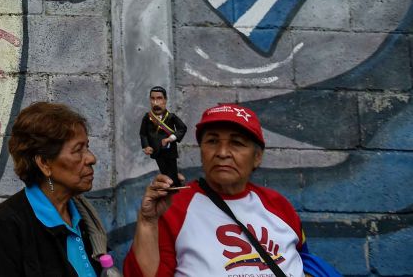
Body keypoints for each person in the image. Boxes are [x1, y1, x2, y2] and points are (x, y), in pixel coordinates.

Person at [124, 103, 310, 277]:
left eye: (236, 143)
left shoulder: (278, 205)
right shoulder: (173, 207)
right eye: (212, 141)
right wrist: (147, 221)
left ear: (257, 157)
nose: (222, 152)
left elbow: (304, 259)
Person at [0, 102, 109, 277]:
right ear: (44, 163)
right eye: (77, 150)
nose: (91, 158)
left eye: (87, 147)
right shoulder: (5, 227)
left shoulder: (84, 219)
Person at [139, 86, 186, 187]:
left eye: (159, 98)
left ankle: (176, 188)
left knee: (173, 171)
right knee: (164, 171)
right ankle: (169, 188)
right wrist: (146, 146)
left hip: (170, 151)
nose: (155, 102)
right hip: (157, 151)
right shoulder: (147, 118)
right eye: (153, 98)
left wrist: (171, 138)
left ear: (165, 100)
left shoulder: (171, 117)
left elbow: (182, 128)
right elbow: (143, 134)